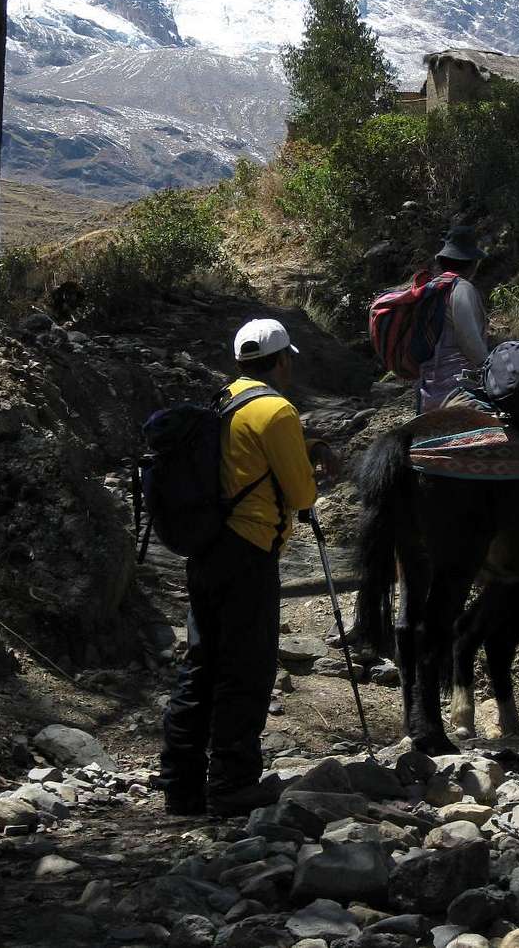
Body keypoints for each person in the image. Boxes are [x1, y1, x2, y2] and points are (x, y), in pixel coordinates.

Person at [157, 318, 339, 817]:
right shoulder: (277, 410)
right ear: (282, 361)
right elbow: (301, 495)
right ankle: (233, 784)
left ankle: (181, 785)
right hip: (249, 551)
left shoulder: (221, 401)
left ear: (240, 361)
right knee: (245, 669)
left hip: (207, 549)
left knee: (201, 665)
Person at [419, 225, 489, 411]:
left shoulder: (429, 289)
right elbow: (470, 342)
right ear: (472, 262)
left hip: (426, 392)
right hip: (458, 390)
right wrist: (490, 368)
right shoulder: (462, 288)